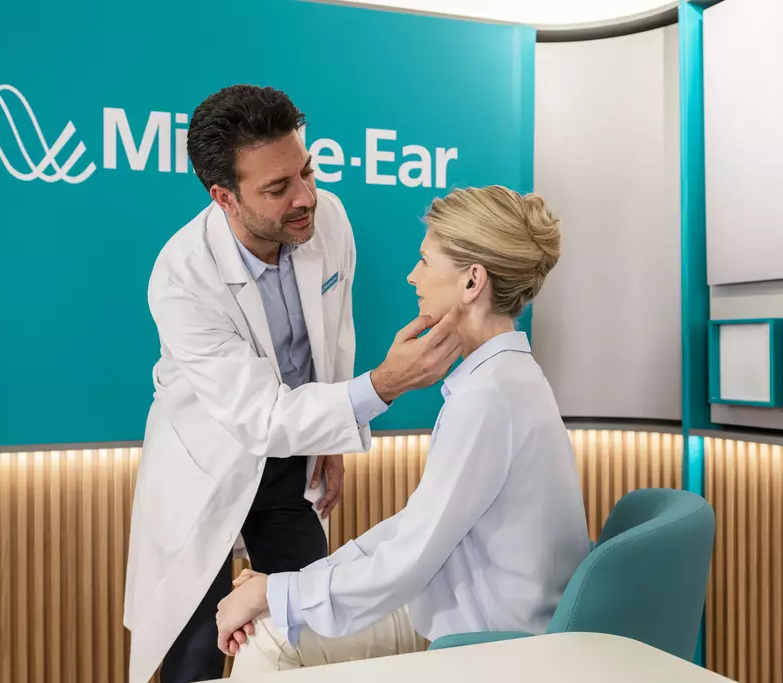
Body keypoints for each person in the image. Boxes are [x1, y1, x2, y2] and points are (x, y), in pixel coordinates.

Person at [123, 84, 464, 683]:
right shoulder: (182, 277)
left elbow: (334, 337)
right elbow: (257, 417)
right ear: (224, 197)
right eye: (278, 188)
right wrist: (382, 386)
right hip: (207, 465)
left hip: (289, 463)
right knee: (197, 655)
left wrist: (330, 440)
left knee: (307, 632)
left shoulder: (328, 219)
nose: (305, 197)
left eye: (306, 171)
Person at [214, 185, 593, 675]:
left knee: (267, 639)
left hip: (489, 639)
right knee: (276, 620)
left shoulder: (486, 398)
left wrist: (278, 593)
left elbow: (408, 560)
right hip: (467, 610)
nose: (413, 275)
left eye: (426, 261)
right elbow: (414, 529)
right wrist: (286, 587)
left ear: (472, 281)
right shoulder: (506, 378)